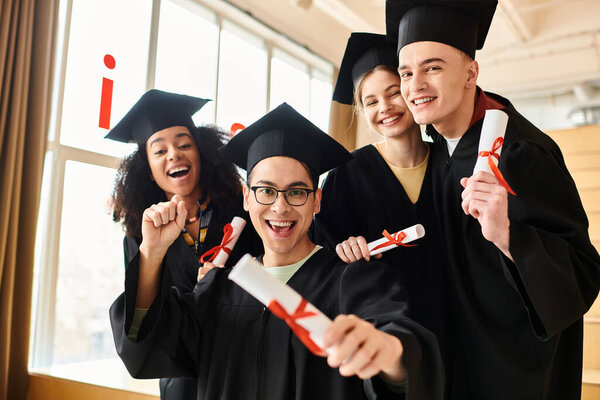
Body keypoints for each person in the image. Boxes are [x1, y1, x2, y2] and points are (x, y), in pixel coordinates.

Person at [109, 102, 444, 400]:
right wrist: (152, 252)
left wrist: (386, 353)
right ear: (246, 197)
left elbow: (401, 348)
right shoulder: (219, 288)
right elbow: (149, 348)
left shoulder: (353, 279)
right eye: (266, 191)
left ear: (317, 200)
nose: (280, 207)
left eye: (296, 192)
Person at [385, 1, 600, 399]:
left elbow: (582, 273)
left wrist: (508, 235)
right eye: (406, 72)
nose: (415, 86)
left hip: (510, 371)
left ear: (471, 73)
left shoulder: (521, 152)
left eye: (432, 67)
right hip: (456, 359)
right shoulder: (440, 144)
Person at [107, 89, 262, 400]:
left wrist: (232, 285)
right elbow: (142, 322)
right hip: (183, 380)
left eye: (183, 144)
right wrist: (153, 252)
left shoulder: (242, 212)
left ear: (202, 154)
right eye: (159, 151)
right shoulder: (140, 236)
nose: (174, 154)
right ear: (148, 172)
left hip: (246, 364)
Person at [311, 32, 448, 360]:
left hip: (454, 328)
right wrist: (343, 251)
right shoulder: (345, 175)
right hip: (383, 333)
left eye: (392, 93)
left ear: (410, 91)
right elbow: (324, 257)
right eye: (371, 101)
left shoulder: (450, 163)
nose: (384, 108)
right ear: (361, 110)